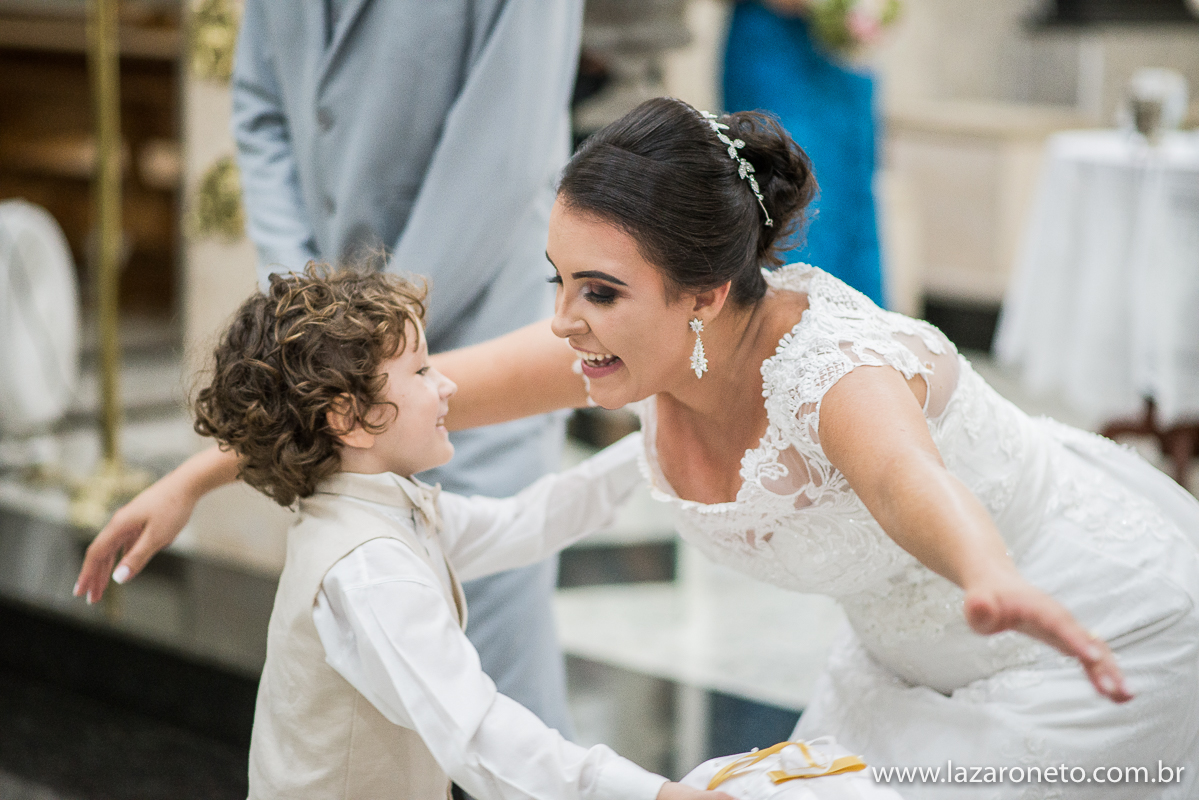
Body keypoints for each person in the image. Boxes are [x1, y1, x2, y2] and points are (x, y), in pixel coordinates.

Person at [78, 99, 1199, 798]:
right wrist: (200, 466)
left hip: (1079, 640)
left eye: (598, 289)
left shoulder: (839, 376)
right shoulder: (626, 343)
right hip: (905, 667)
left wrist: (992, 579)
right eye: (555, 281)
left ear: (703, 294)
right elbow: (352, 400)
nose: (563, 322)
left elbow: (909, 483)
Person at [186, 266, 729, 800]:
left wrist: (658, 443)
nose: (447, 385)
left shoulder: (376, 512)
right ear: (348, 418)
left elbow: (526, 524)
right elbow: (477, 733)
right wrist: (653, 794)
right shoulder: (371, 568)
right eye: (421, 371)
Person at [233, 0, 587, 734]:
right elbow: (262, 107)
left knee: (495, 655)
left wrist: (369, 337)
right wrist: (305, 308)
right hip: (335, 352)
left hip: (475, 314)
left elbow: (505, 149)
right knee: (356, 674)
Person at [723, 0, 885, 307]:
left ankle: (854, 317)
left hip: (839, 53)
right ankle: (787, 314)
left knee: (849, 185)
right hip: (770, 42)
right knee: (783, 172)